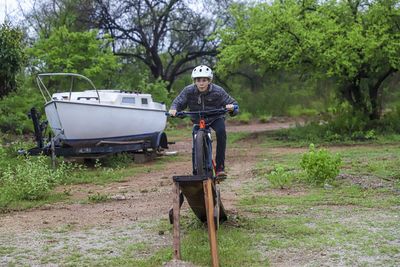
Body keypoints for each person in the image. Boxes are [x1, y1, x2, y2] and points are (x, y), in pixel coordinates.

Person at [169, 65, 239, 178]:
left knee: (221, 132)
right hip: (198, 119)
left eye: (204, 80)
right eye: (198, 80)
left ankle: (220, 167)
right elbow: (178, 102)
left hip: (215, 117)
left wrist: (232, 108)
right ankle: (196, 170)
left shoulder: (218, 91)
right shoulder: (188, 91)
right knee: (195, 141)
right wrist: (174, 110)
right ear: (194, 81)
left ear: (209, 80)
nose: (201, 83)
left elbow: (234, 104)